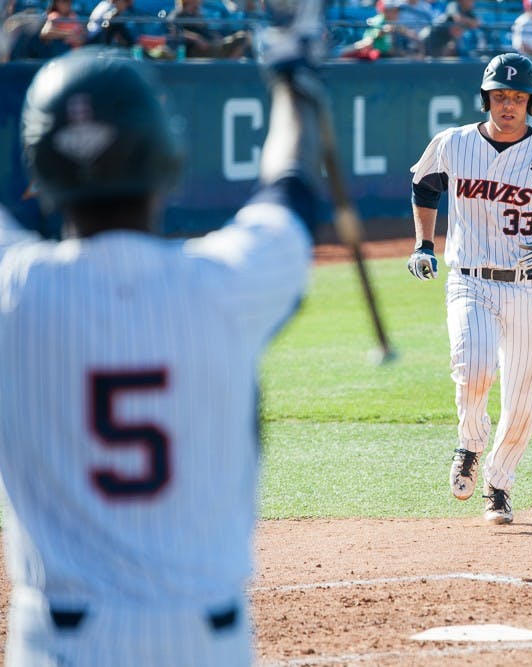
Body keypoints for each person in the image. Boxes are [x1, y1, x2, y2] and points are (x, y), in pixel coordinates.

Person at [0, 0, 327, 660]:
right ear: (166, 156)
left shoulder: (14, 292)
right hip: (197, 639)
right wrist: (293, 74)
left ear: (40, 171)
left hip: (55, 642)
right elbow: (290, 189)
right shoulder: (224, 284)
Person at [407, 53, 532, 524]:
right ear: (486, 99)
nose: (508, 105)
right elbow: (424, 185)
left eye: (517, 97)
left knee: (522, 398)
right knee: (472, 367)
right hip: (469, 279)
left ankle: (498, 482)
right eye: (500, 96)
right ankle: (471, 444)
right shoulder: (454, 144)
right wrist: (422, 243)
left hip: (528, 289)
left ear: (530, 102)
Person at [167, 0, 251, 59]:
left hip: (212, 45)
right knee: (242, 38)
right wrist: (196, 38)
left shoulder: (197, 15)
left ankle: (227, 68)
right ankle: (227, 71)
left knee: (246, 37)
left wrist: (215, 36)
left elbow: (207, 31)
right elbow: (175, 33)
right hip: (197, 51)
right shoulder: (177, 15)